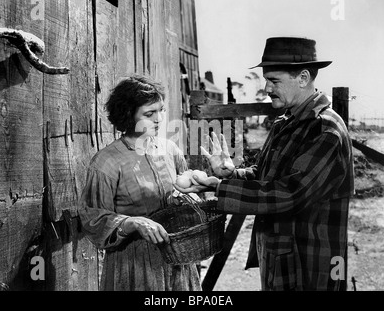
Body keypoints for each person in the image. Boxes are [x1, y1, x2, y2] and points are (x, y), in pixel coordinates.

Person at [174, 37, 355, 291]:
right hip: (280, 258)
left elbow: (288, 193)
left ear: (303, 78)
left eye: (274, 80)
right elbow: (264, 175)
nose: (267, 87)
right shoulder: (286, 122)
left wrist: (218, 188)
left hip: (311, 265)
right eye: (265, 79)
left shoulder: (325, 130)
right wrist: (230, 173)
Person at [78, 75, 201, 291]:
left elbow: (188, 192)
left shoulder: (170, 150)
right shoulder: (107, 162)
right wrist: (132, 222)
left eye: (161, 110)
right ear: (128, 114)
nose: (159, 119)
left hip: (178, 257)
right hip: (135, 265)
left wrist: (188, 196)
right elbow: (93, 218)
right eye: (149, 113)